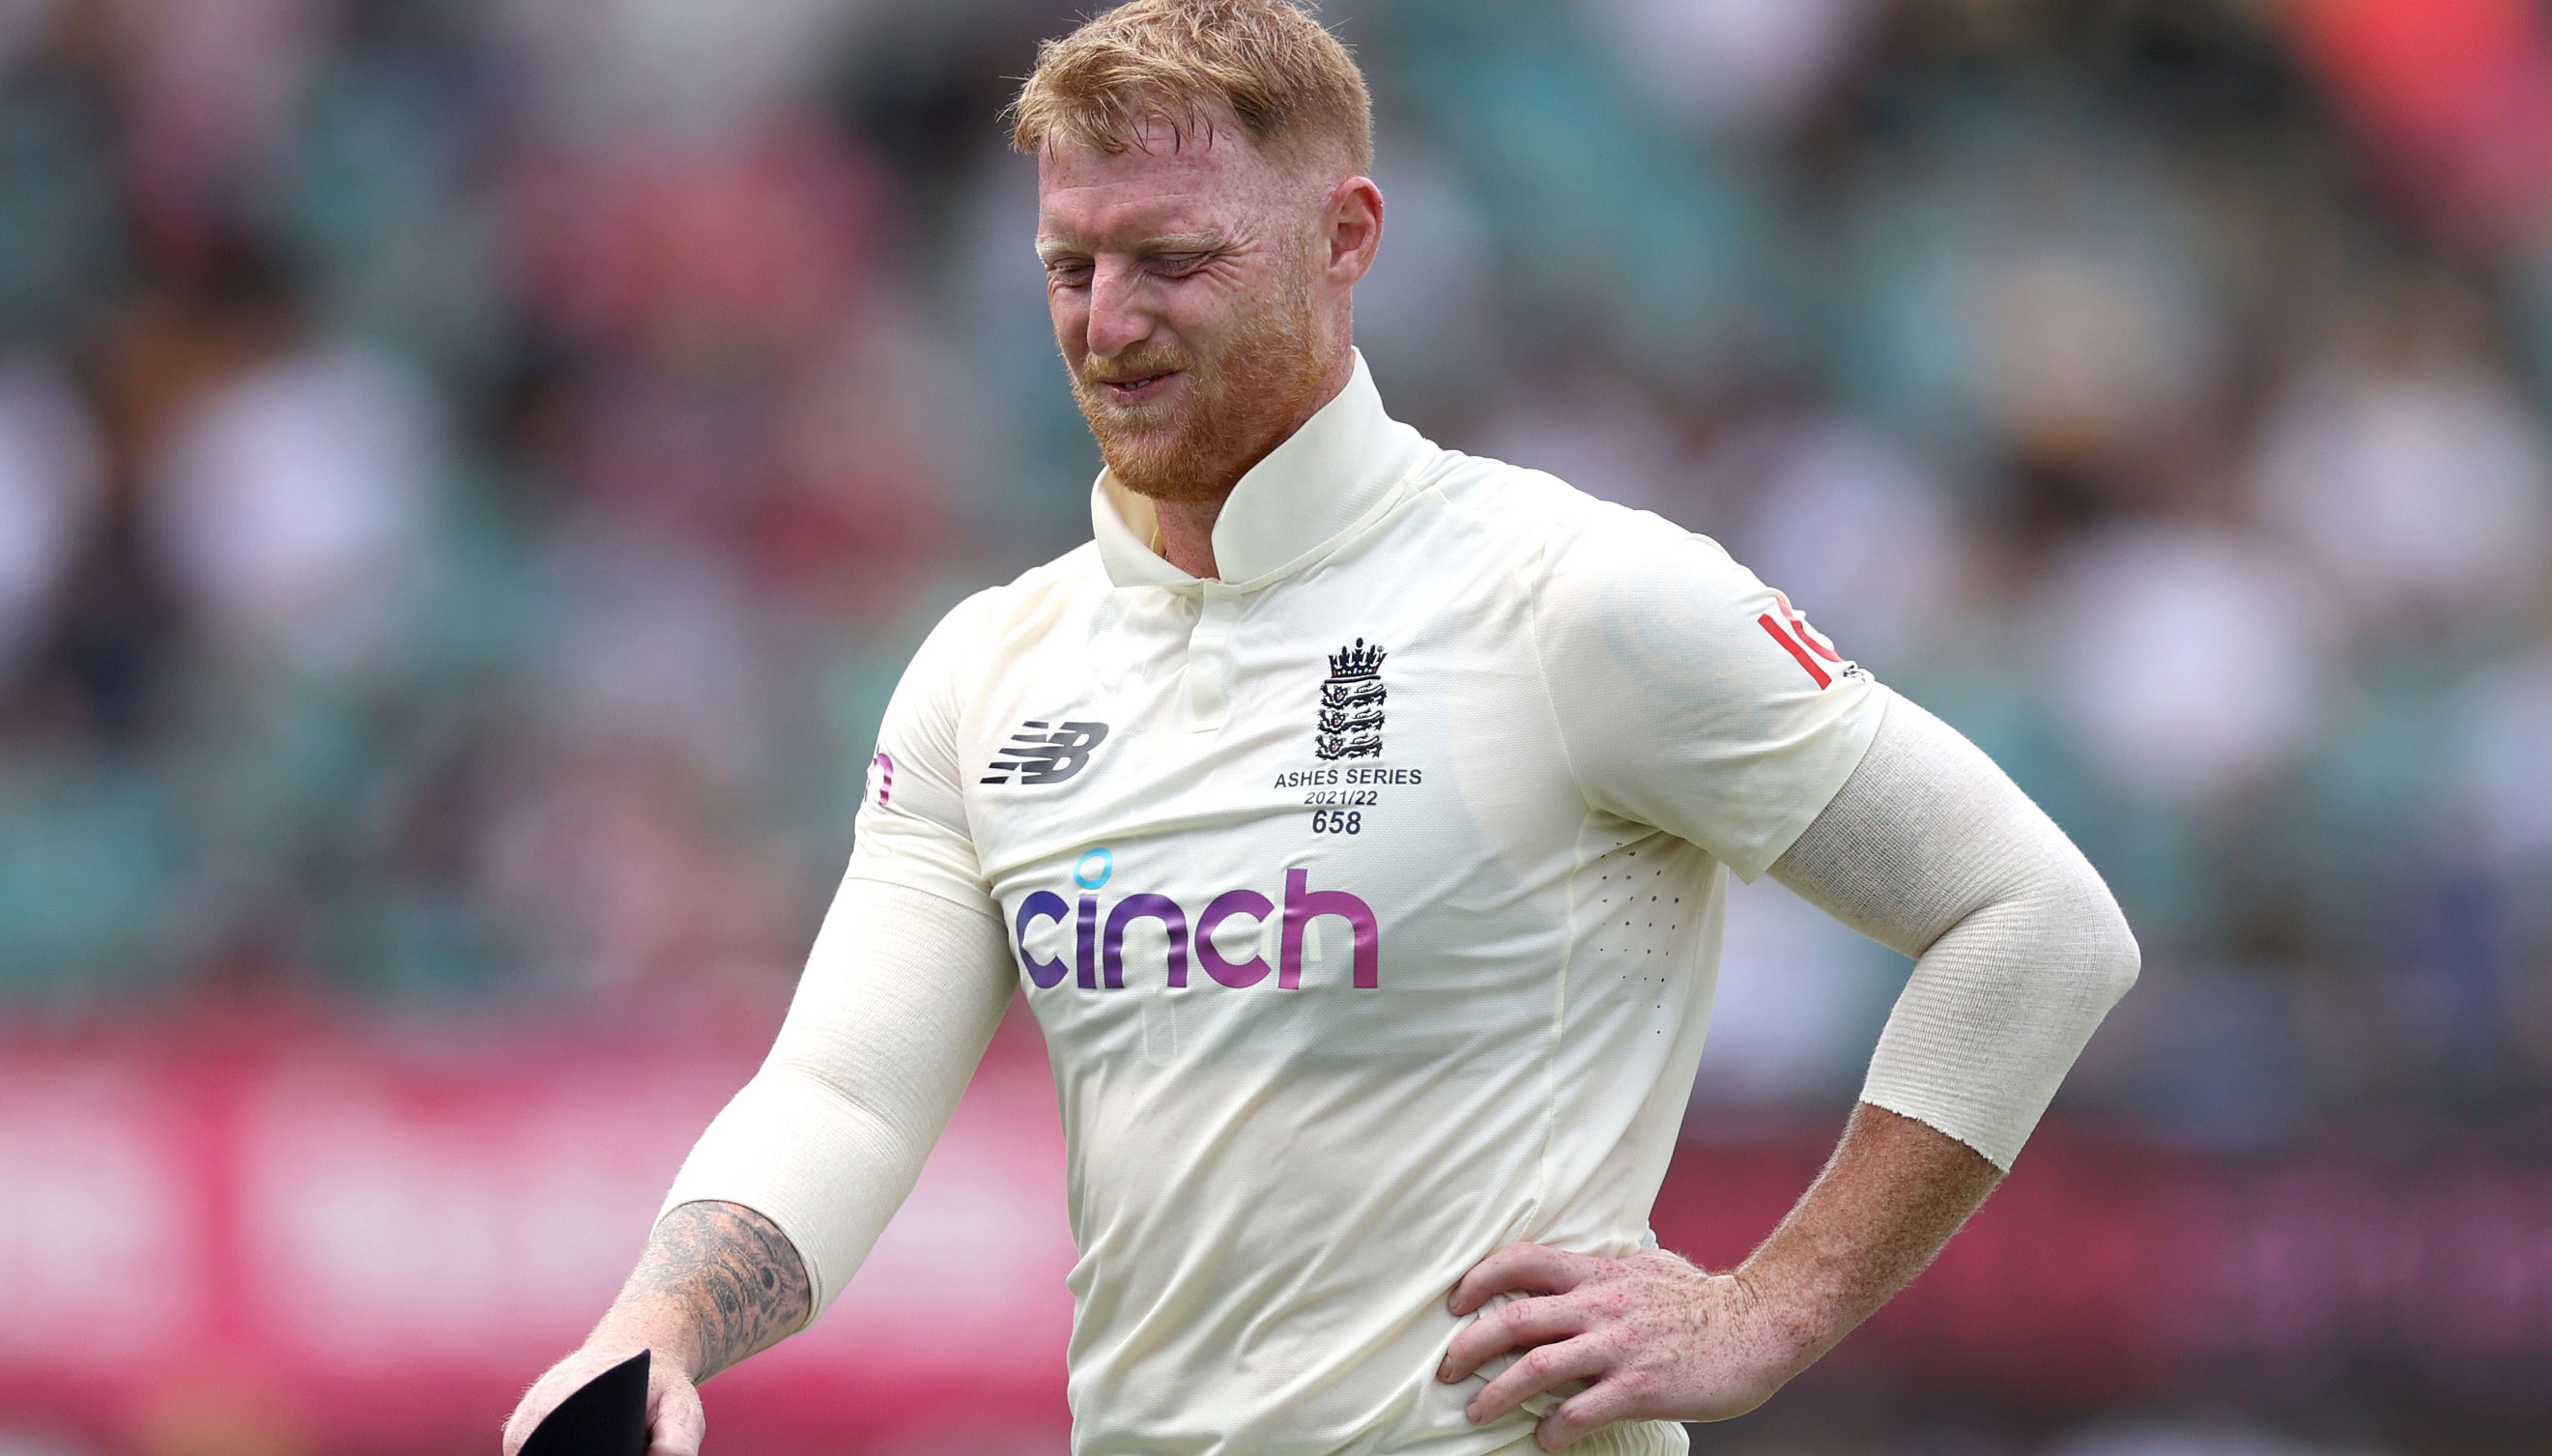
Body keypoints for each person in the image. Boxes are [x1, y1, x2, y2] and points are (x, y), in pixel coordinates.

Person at [502, 3, 2139, 1453]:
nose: (1106, 321)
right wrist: (658, 1320)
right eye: (1071, 266)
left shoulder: (1580, 597)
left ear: (1347, 234)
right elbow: (849, 1095)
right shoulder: (988, 667)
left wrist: (1769, 1313)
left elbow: (2038, 922)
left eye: (1175, 260)